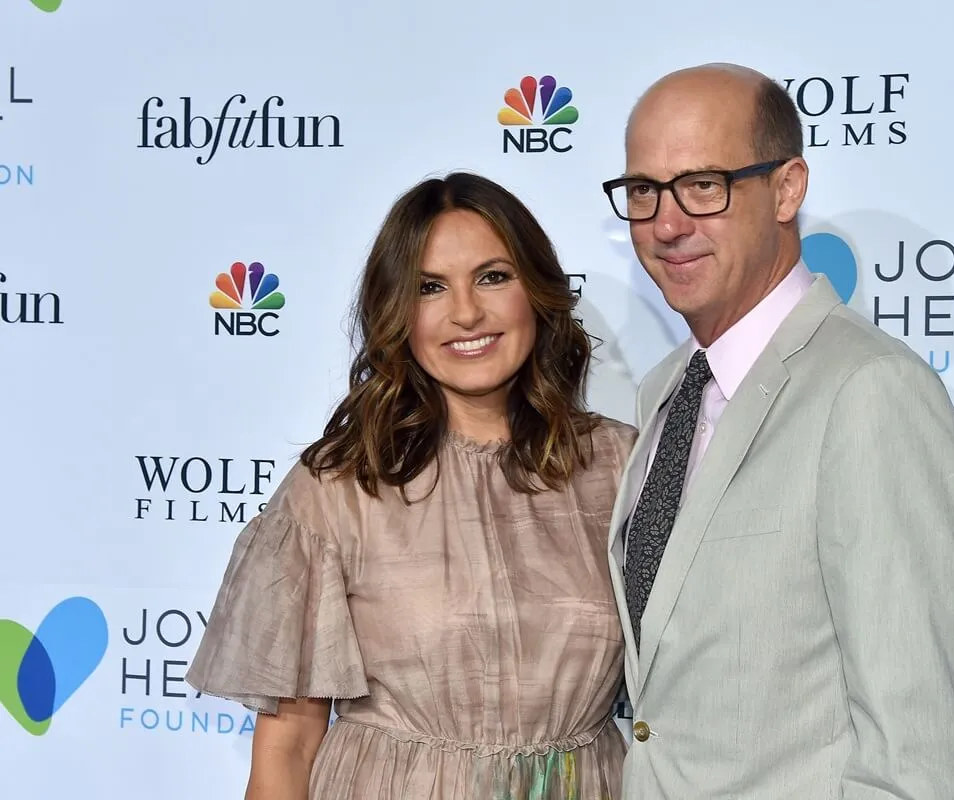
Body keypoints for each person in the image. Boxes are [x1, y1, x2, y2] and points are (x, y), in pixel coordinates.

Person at [186, 171, 637, 799]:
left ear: (537, 290)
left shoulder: (621, 466)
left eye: (493, 276)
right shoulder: (340, 486)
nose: (466, 312)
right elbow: (286, 748)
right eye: (431, 287)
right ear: (398, 312)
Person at [600, 63, 954, 799]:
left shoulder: (869, 392)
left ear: (786, 188)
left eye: (703, 185)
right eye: (643, 191)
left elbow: (914, 758)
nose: (666, 223)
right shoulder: (664, 391)